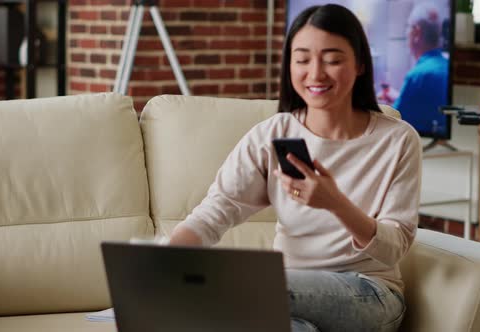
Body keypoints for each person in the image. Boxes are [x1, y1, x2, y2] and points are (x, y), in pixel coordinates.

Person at [168, 4, 421, 332]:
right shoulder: (272, 134)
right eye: (302, 60)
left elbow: (394, 248)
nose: (315, 74)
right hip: (281, 294)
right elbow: (217, 210)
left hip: (370, 293)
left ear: (359, 64)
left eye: (332, 60)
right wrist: (166, 262)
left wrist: (335, 203)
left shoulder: (397, 140)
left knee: (246, 285)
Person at [393, 2, 449, 135]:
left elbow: (392, 121)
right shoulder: (446, 67)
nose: (406, 33)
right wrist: (397, 96)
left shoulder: (417, 76)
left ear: (417, 32)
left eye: (408, 27)